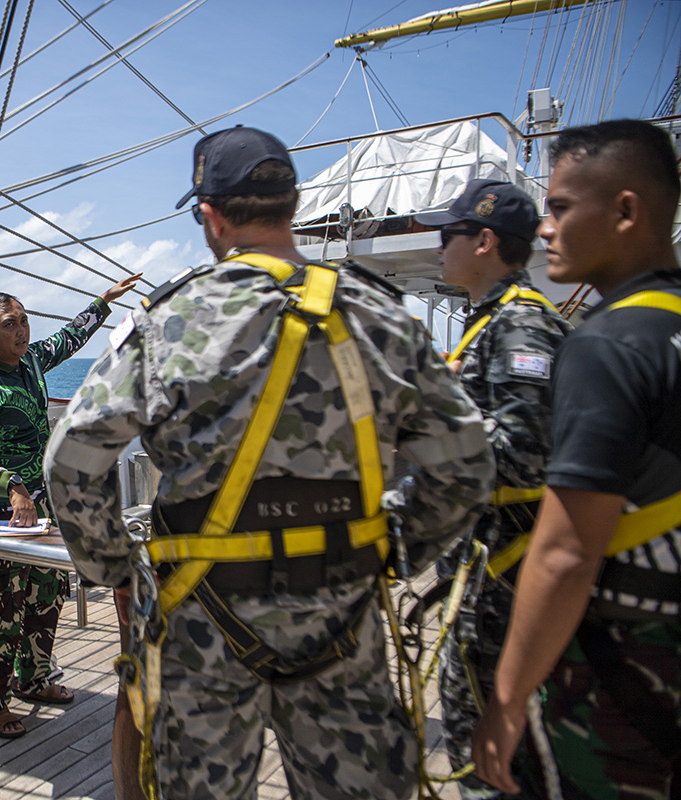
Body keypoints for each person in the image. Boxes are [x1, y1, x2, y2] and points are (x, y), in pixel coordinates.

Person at [45, 125, 494, 800]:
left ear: (210, 215)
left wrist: (115, 567)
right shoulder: (379, 315)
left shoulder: (168, 321)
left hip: (201, 621)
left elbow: (71, 461)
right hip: (342, 610)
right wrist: (397, 546)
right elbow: (464, 462)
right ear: (292, 204)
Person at [473, 120, 681, 798]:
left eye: (561, 207)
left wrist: (506, 700)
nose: (545, 228)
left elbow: (566, 552)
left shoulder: (608, 345)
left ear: (625, 211)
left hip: (628, 673)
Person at [413, 179, 571, 800]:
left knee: (497, 764)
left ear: (484, 241)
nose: (438, 245)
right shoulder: (490, 326)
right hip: (480, 583)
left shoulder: (522, 327)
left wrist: (430, 427)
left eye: (447, 235)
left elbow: (526, 455)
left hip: (502, 588)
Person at [0, 274, 139, 740]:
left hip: (41, 507)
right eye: (10, 324)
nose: (21, 331)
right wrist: (9, 484)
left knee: (48, 592)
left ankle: (34, 678)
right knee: (3, 608)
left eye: (24, 321)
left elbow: (69, 338)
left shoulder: (31, 360)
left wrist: (104, 301)